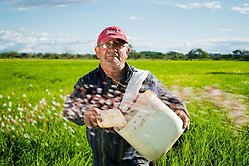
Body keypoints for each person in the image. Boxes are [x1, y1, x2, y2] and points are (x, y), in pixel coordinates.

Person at [64, 26, 190, 166]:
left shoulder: (143, 79)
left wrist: (180, 110)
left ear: (127, 51)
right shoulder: (87, 82)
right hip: (102, 161)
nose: (112, 48)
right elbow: (69, 109)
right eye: (106, 44)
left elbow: (170, 99)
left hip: (138, 160)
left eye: (118, 44)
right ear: (97, 51)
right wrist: (85, 113)